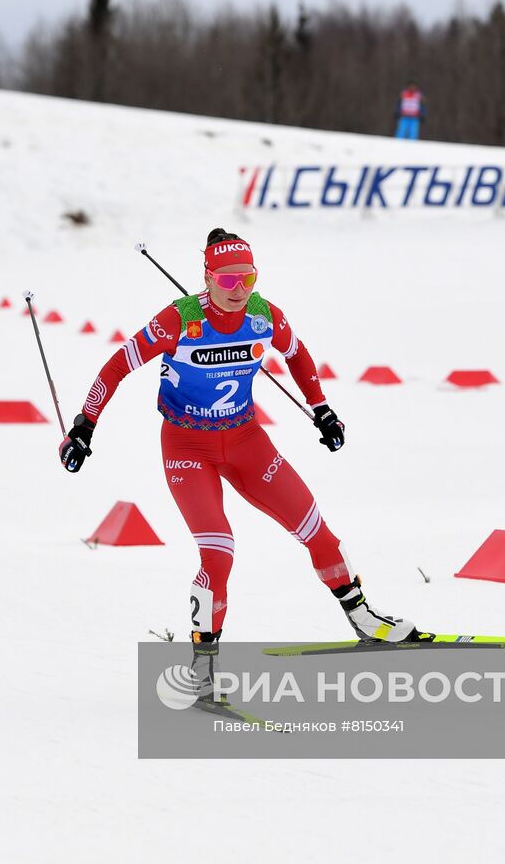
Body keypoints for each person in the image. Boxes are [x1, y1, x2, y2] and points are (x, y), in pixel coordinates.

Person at [60, 230, 421, 686]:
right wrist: (84, 424)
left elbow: (298, 355)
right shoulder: (179, 318)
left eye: (246, 278)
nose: (238, 290)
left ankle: (366, 622)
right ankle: (203, 668)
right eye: (226, 280)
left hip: (247, 442)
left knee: (319, 534)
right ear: (207, 278)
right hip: (188, 448)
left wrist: (322, 409)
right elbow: (117, 366)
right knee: (219, 552)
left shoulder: (263, 315)